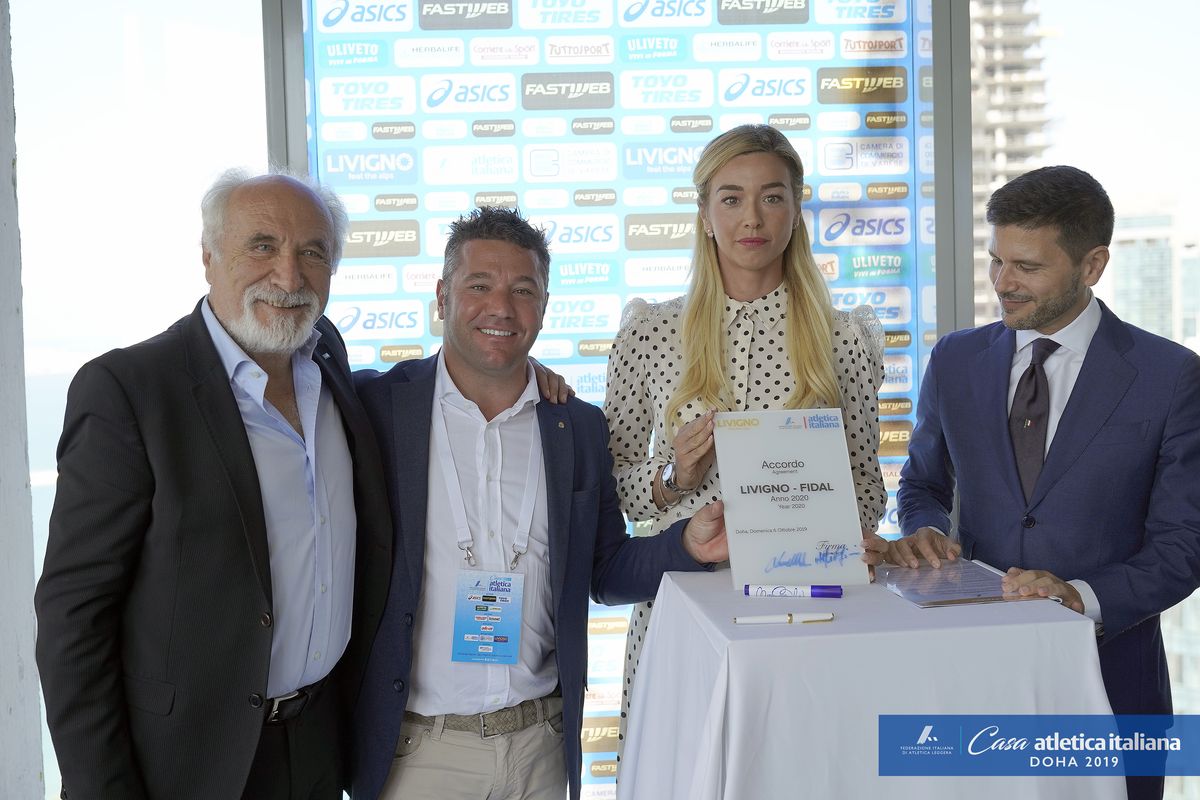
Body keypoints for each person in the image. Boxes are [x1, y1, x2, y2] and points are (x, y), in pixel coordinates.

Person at [34, 169, 394, 799]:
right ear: (208, 257)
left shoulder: (326, 359)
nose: (289, 276)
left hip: (319, 745)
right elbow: (74, 620)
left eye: (312, 252)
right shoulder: (130, 390)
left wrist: (524, 379)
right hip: (188, 764)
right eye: (262, 246)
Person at [349, 206, 728, 800]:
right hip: (418, 755)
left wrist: (686, 547)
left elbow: (604, 570)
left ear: (544, 307)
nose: (501, 307)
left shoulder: (576, 427)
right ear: (443, 297)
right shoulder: (373, 407)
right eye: (479, 286)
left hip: (540, 752)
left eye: (522, 291)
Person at [869, 165, 1200, 800]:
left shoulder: (1171, 376)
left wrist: (1079, 595)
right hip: (966, 675)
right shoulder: (955, 359)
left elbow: (1184, 545)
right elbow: (922, 485)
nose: (1003, 283)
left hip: (1111, 681)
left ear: (1092, 265)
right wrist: (926, 531)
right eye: (996, 261)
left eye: (1027, 267)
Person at [603, 123, 888, 746]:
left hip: (810, 612)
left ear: (796, 208)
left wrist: (842, 531)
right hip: (686, 611)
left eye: (772, 196)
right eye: (731, 198)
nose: (752, 217)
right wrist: (673, 476)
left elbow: (867, 486)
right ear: (705, 214)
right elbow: (615, 489)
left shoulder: (843, 338)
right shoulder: (650, 334)